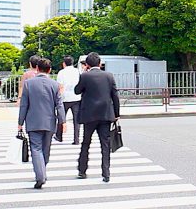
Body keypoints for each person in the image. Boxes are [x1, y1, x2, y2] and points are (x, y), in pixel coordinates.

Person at [17, 58, 65, 189]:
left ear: (37, 69)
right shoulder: (55, 85)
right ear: (49, 70)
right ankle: (42, 172)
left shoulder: (28, 84)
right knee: (46, 149)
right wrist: (63, 121)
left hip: (33, 122)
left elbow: (24, 105)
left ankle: (40, 176)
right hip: (50, 122)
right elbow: (59, 105)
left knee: (36, 149)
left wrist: (20, 123)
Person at [75, 52, 120, 183]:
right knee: (105, 144)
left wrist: (83, 74)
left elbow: (77, 91)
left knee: (86, 142)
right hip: (105, 114)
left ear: (87, 65)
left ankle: (82, 170)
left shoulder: (85, 76)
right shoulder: (109, 76)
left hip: (89, 114)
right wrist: (116, 114)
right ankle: (106, 173)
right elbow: (115, 96)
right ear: (100, 63)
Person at [55, 55, 81, 144]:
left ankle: (59, 136)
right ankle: (76, 139)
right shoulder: (77, 71)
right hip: (76, 98)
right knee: (76, 120)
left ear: (64, 63)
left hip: (64, 98)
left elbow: (60, 86)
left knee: (61, 118)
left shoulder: (61, 73)